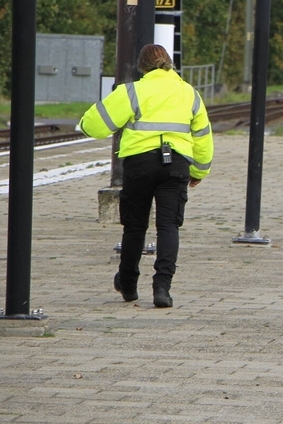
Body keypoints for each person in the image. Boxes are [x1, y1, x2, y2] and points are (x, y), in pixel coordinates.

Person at [79, 44, 213, 309]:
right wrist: (199, 171)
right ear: (169, 63)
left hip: (139, 164)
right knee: (168, 226)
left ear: (141, 66)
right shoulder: (189, 93)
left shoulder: (132, 91)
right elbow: (203, 137)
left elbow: (94, 126)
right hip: (176, 165)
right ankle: (162, 288)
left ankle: (128, 284)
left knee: (135, 226)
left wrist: (86, 121)